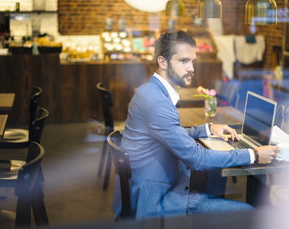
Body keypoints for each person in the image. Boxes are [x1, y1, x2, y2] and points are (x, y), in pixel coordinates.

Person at [114, 30, 278, 219]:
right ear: (163, 62)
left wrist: (208, 128)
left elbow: (172, 132)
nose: (191, 68)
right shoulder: (158, 103)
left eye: (193, 61)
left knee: (213, 180)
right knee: (249, 213)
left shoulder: (149, 90)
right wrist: (254, 154)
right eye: (184, 61)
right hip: (156, 200)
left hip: (149, 188)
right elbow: (197, 158)